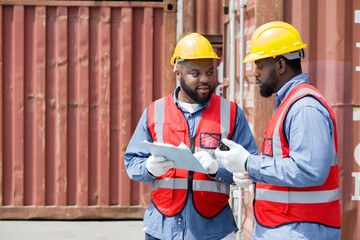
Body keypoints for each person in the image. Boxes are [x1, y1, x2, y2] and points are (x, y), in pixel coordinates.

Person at [124, 32, 258, 240]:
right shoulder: (155, 111)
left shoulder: (230, 113)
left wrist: (218, 170)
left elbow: (250, 166)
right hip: (163, 228)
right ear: (177, 72)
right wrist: (148, 168)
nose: (205, 79)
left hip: (214, 230)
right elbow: (132, 162)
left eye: (209, 72)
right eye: (195, 74)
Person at [215, 21, 341, 239]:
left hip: (300, 229)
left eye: (260, 66)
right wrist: (249, 172)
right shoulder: (288, 103)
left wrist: (248, 162)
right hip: (283, 226)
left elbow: (308, 171)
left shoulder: (304, 107)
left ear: (281, 66)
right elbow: (284, 164)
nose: (255, 73)